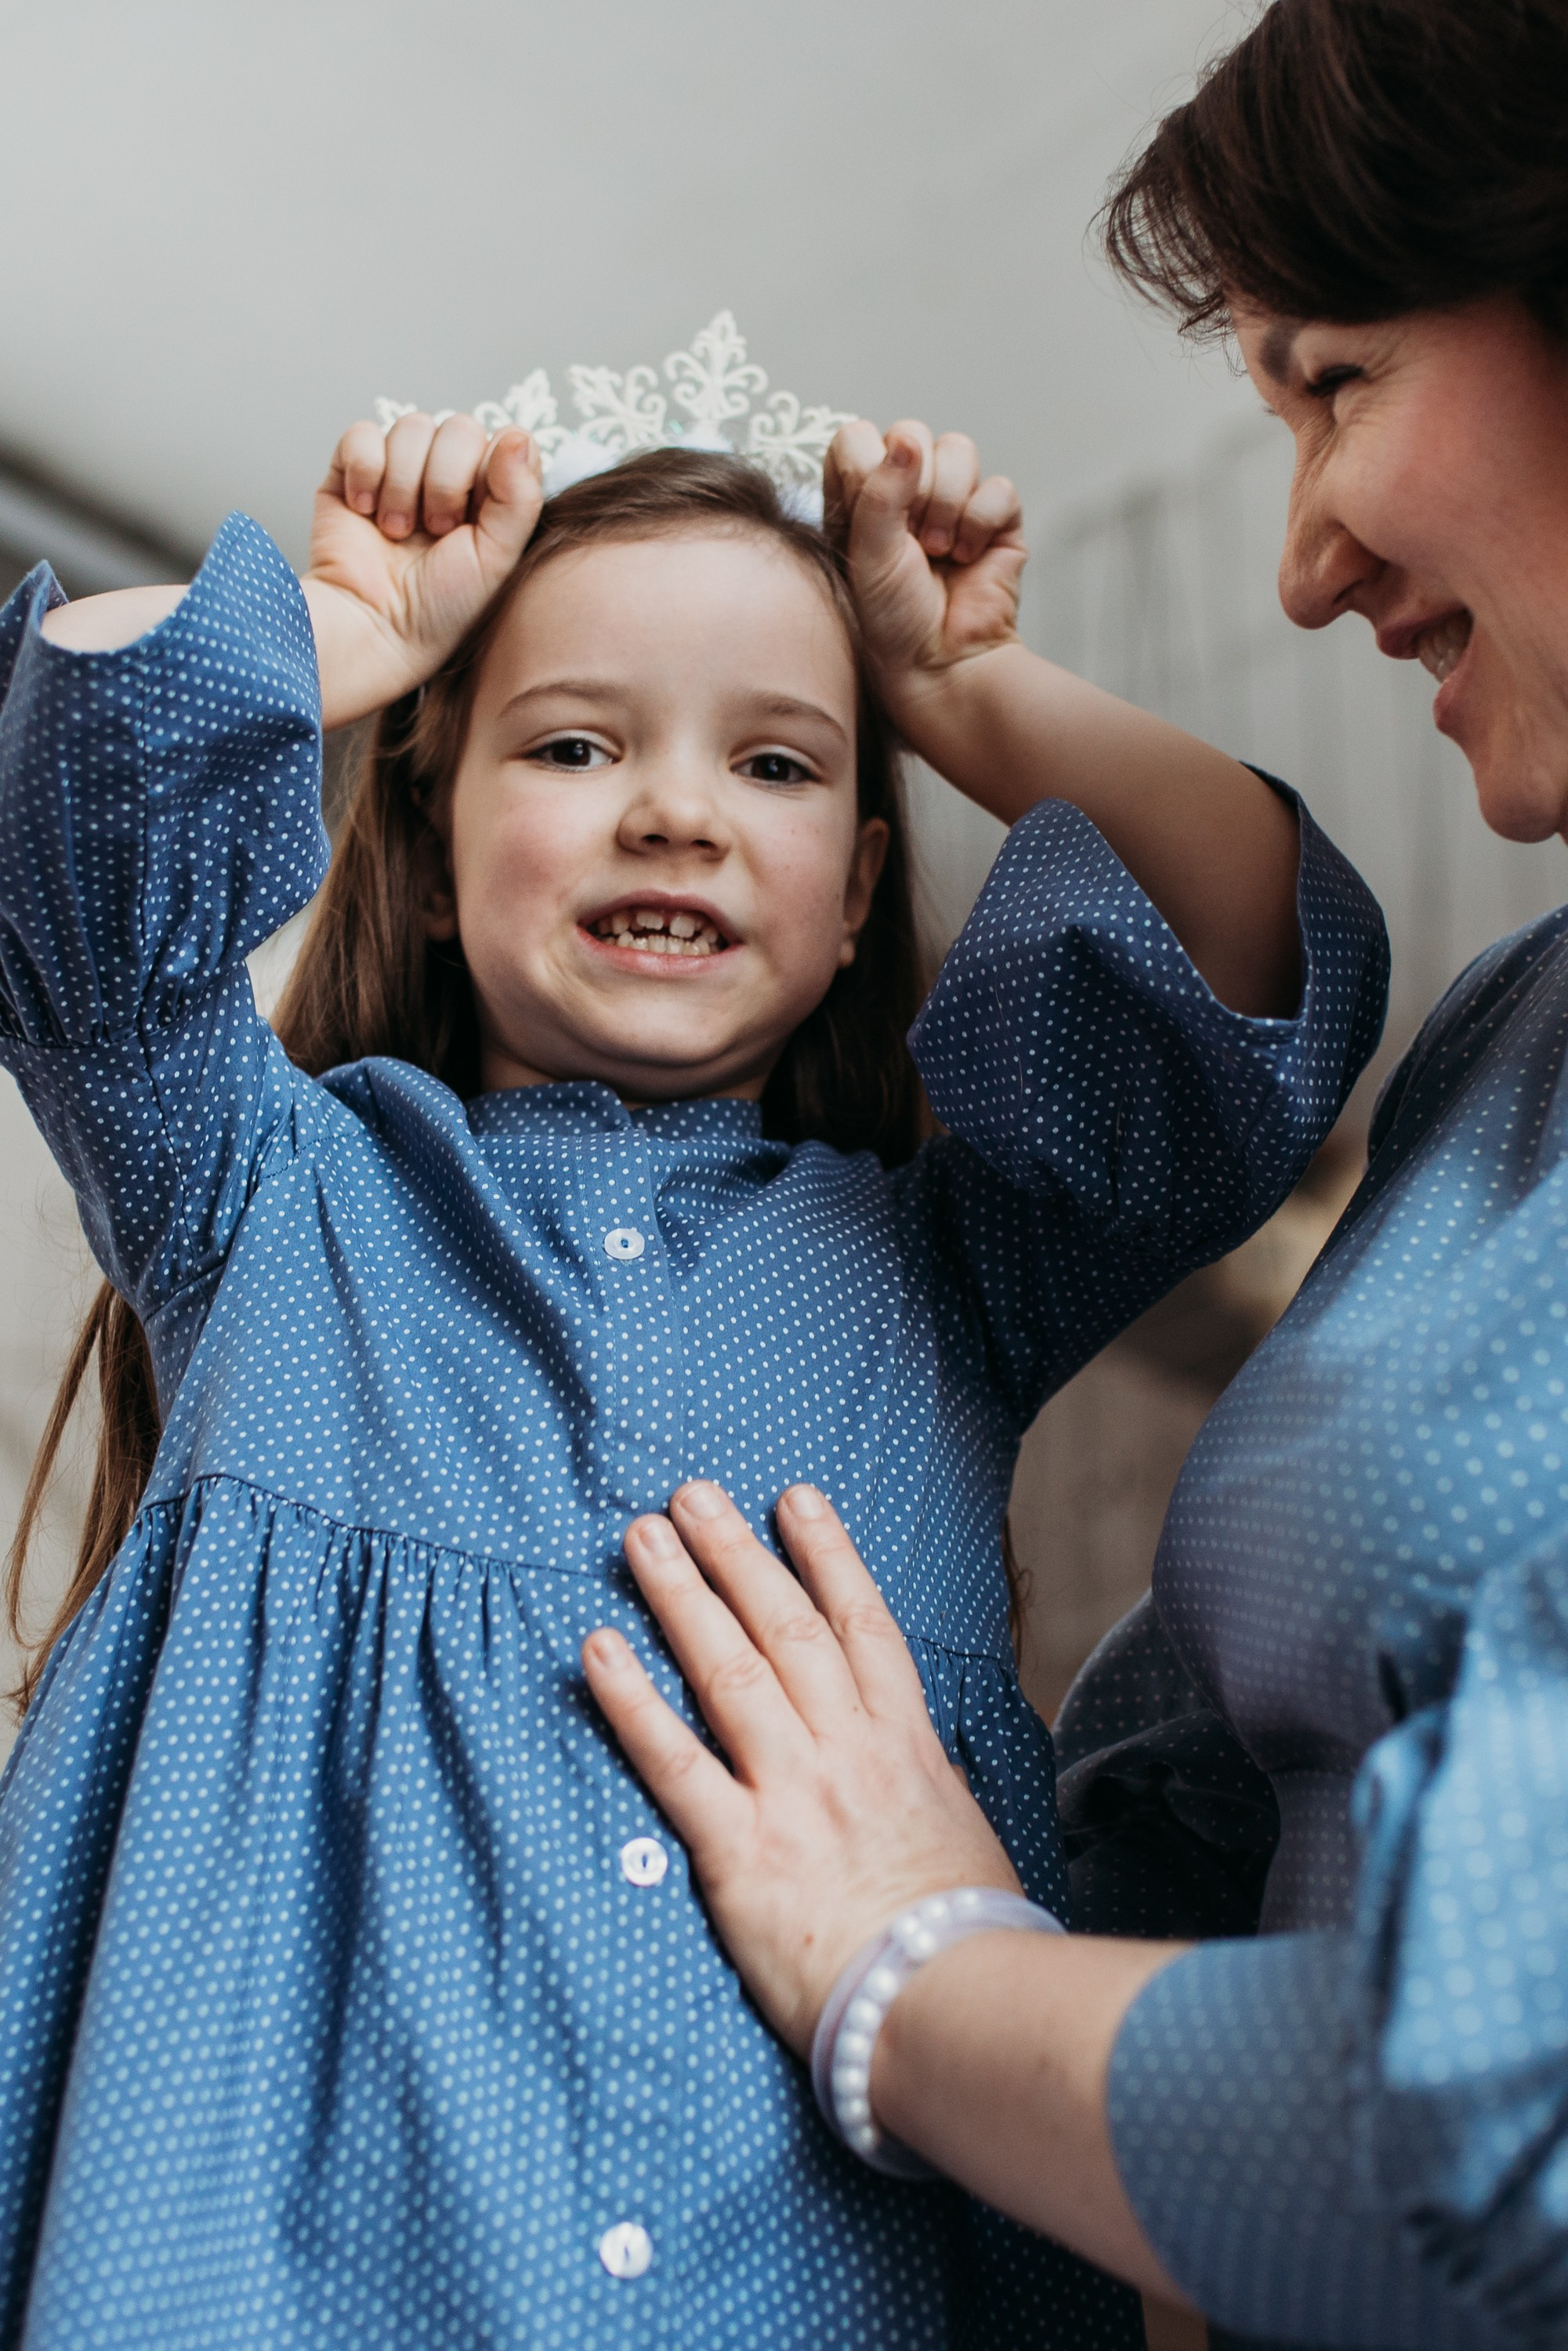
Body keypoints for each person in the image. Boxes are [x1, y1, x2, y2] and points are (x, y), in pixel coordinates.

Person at [0, 376, 1383, 2345]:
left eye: (776, 764)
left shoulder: (951, 1273)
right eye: (572, 745)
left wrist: (963, 689)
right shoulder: (264, 1200)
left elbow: (1252, 951)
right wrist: (352, 631)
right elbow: (64, 794)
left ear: (857, 902)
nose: (671, 809)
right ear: (430, 834)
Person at [580, 2, 1568, 2346]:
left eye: (1335, 381)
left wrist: (900, 1975)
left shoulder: (977, 1240)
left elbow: (1486, 2111)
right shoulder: (1507, 1049)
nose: (1302, 566)